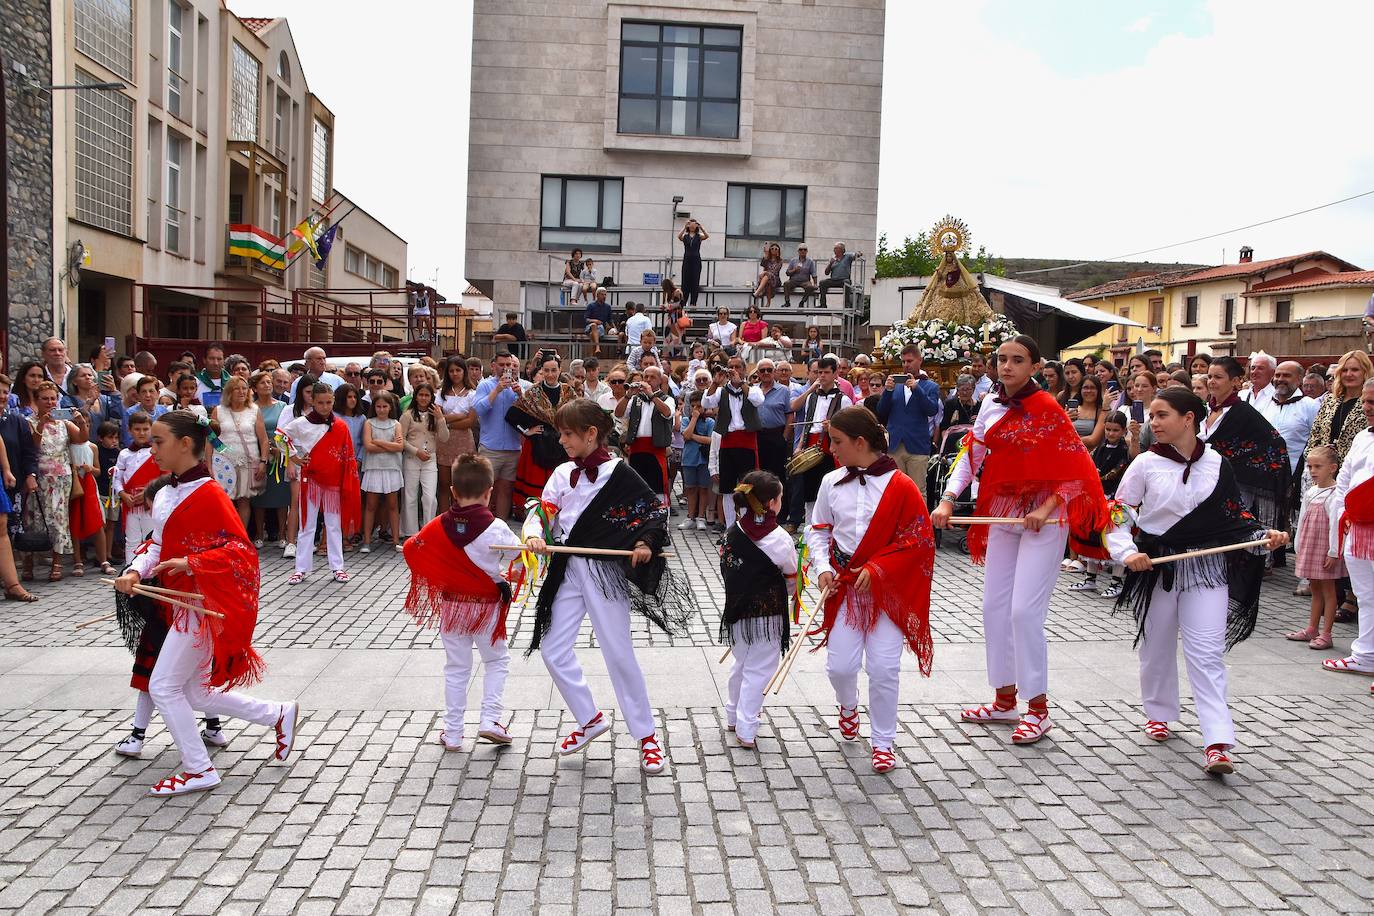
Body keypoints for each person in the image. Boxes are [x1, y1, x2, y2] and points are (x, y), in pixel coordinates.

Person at [932, 335, 1111, 745]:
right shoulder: (989, 405)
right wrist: (946, 500)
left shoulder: (1047, 408)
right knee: (994, 608)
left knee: (1024, 613)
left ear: (1034, 366)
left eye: (1017, 360)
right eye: (1002, 359)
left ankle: (1038, 709)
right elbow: (972, 457)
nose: (1007, 366)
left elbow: (1077, 469)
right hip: (1003, 511)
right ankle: (1004, 700)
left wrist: (1045, 509)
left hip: (1046, 520)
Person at [112, 410, 299, 796]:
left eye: (159, 441)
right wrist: (135, 570)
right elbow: (158, 544)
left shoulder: (210, 494)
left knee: (164, 687)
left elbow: (240, 550)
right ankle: (278, 714)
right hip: (180, 603)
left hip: (201, 604)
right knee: (196, 693)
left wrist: (193, 562)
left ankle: (199, 769)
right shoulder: (165, 492)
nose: (153, 449)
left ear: (185, 445)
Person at [1109, 388, 1286, 774]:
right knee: (1155, 647)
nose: (1153, 423)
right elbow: (1118, 514)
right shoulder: (1144, 464)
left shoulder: (1218, 464)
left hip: (1207, 569)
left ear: (1188, 419)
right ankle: (1158, 712)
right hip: (1156, 567)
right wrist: (1127, 553)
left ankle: (1218, 741)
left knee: (1205, 653)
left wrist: (1264, 537)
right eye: (1152, 415)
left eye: (1162, 415)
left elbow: (1236, 520)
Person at [521, 399, 693, 774]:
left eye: (568, 433)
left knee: (617, 652)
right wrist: (534, 533)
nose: (562, 440)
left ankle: (647, 736)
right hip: (567, 568)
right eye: (560, 433)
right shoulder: (562, 471)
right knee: (552, 649)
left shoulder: (620, 472)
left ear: (591, 434)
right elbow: (543, 510)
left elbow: (651, 511)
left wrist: (646, 543)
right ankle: (589, 719)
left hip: (604, 573)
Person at [805, 408, 935, 772]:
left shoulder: (902, 486)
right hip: (845, 587)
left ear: (860, 443)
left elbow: (919, 541)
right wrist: (824, 569)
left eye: (837, 442)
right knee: (840, 667)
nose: (831, 449)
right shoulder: (830, 482)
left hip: (886, 590)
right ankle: (848, 706)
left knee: (883, 668)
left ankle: (883, 741)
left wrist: (879, 568)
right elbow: (818, 531)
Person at [403, 453, 522, 749]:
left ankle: (453, 732)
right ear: (489, 492)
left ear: (453, 491)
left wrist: (442, 571)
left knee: (457, 668)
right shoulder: (496, 528)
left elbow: (410, 548)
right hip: (486, 609)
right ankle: (490, 719)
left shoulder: (438, 525)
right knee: (496, 661)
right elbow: (518, 559)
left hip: (452, 607)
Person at [720, 471, 796, 748]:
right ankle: (747, 725)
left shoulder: (732, 531)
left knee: (740, 662)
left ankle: (732, 714)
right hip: (768, 614)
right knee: (760, 670)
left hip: (737, 610)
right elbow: (790, 576)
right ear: (772, 503)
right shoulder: (780, 538)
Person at [1201, 356, 1291, 543]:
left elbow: (1275, 443)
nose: (1211, 381)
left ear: (1235, 381)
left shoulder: (1243, 411)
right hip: (1206, 479)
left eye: (1218, 377)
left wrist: (1235, 461)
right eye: (1209, 376)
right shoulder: (1204, 410)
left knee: (1238, 531)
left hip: (1236, 482)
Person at [280, 383, 362, 585]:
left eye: (328, 402)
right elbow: (280, 437)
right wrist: (294, 458)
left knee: (333, 526)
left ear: (333, 401)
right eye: (320, 403)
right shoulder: (301, 423)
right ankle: (301, 569)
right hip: (311, 480)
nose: (325, 407)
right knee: (307, 525)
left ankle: (338, 567)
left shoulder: (340, 425)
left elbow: (347, 455)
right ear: (312, 402)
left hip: (333, 481)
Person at [1322, 378, 1374, 680]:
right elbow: (1344, 482)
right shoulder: (1362, 437)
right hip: (1357, 528)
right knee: (1366, 595)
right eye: (1365, 402)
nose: (1367, 408)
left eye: (1373, 403)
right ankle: (1365, 655)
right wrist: (1339, 522)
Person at [23, 382, 87, 582]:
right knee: (34, 519)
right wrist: (41, 424)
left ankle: (57, 562)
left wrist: (81, 421)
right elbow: (32, 446)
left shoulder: (64, 422)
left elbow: (81, 439)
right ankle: (28, 562)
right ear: (37, 400)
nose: (50, 402)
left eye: (53, 398)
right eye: (45, 398)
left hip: (61, 477)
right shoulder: (29, 421)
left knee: (59, 519)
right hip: (39, 476)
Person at [1069, 412, 1131, 599]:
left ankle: (1116, 581)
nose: (1111, 433)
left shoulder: (1125, 451)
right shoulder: (1100, 448)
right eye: (1108, 429)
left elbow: (1117, 471)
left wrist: (1097, 477)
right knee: (1092, 538)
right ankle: (1090, 577)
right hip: (1097, 497)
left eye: (1115, 430)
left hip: (1116, 500)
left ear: (1123, 431)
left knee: (1116, 539)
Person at [1288, 446, 1344, 649]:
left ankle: (1327, 633)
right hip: (1311, 547)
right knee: (1315, 588)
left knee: (1329, 591)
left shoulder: (1336, 495)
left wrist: (1334, 551)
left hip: (1325, 550)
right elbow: (1302, 520)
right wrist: (1298, 544)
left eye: (1318, 466)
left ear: (1332, 468)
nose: (1312, 471)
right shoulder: (1312, 492)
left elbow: (1336, 526)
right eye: (1310, 466)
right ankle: (1312, 628)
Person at [789, 356, 853, 524]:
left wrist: (832, 427)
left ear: (835, 374)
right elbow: (807, 424)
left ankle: (829, 526)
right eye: (819, 372)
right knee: (809, 491)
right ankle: (810, 528)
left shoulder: (843, 399)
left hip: (831, 447)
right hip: (811, 443)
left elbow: (848, 429)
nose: (822, 376)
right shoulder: (812, 397)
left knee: (830, 488)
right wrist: (800, 446)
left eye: (826, 372)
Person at [702, 361, 764, 527]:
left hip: (747, 441)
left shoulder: (753, 388)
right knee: (727, 489)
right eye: (732, 367)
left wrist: (741, 383)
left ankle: (745, 525)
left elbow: (758, 401)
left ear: (744, 370)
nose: (734, 370)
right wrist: (715, 382)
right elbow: (706, 403)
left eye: (738, 367)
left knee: (747, 486)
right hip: (727, 442)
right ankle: (730, 528)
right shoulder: (721, 391)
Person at [876, 344, 941, 498]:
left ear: (920, 361)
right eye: (904, 361)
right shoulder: (895, 386)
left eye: (910, 361)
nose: (906, 365)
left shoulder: (930, 386)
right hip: (895, 445)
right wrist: (887, 392)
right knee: (894, 490)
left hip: (917, 446)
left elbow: (932, 410)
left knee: (918, 491)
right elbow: (881, 411)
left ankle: (919, 523)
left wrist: (917, 389)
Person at [509, 355, 574, 507]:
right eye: (546, 370)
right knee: (536, 496)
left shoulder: (568, 391)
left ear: (560, 370)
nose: (550, 374)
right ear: (541, 371)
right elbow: (512, 415)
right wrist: (526, 431)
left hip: (562, 445)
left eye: (554, 370)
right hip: (538, 445)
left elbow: (578, 414)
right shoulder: (533, 392)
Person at [211, 377, 267, 527]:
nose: (242, 391)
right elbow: (210, 439)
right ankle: (225, 536)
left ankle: (241, 538)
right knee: (224, 501)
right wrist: (209, 465)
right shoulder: (218, 411)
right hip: (224, 463)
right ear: (229, 391)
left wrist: (263, 461)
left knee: (244, 500)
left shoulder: (254, 410)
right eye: (237, 388)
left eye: (244, 388)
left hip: (248, 461)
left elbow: (263, 439)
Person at [614, 365, 675, 503]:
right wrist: (628, 395)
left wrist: (651, 395)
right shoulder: (635, 399)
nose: (648, 380)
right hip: (636, 450)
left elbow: (667, 413)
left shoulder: (667, 399)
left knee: (658, 487)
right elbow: (618, 414)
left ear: (660, 380)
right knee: (636, 487)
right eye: (646, 377)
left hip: (656, 450)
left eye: (652, 377)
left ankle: (660, 519)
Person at [474, 352, 523, 520]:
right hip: (490, 448)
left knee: (506, 490)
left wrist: (521, 395)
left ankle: (501, 527)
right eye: (502, 365)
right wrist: (497, 390)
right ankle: (481, 527)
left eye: (509, 365)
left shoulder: (518, 386)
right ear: (493, 366)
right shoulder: (485, 385)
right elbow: (479, 410)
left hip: (513, 447)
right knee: (485, 489)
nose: (506, 368)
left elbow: (529, 415)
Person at [398, 383, 449, 538]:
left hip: (430, 459)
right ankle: (410, 531)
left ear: (431, 397)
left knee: (429, 496)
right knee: (410, 495)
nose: (423, 398)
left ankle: (428, 529)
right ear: (415, 396)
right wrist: (416, 451)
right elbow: (401, 439)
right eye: (421, 395)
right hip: (412, 458)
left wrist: (441, 419)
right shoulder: (407, 415)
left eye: (427, 395)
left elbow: (444, 438)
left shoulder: (436, 414)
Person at [249, 371, 291, 549]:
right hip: (258, 455)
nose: (267, 385)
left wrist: (279, 448)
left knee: (281, 496)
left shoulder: (282, 406)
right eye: (263, 383)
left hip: (280, 455)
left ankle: (282, 534)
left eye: (268, 382)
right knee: (260, 496)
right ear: (255, 388)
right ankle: (259, 534)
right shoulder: (250, 407)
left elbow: (287, 430)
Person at [360, 391, 404, 554]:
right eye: (378, 406)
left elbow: (399, 447)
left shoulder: (396, 424)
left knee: (392, 505)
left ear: (390, 407)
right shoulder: (369, 423)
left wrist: (377, 441)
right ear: (374, 407)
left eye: (385, 406)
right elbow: (368, 446)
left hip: (391, 468)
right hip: (374, 468)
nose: (381, 409)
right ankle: (366, 540)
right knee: (371, 505)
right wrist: (388, 444)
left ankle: (395, 541)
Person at [436, 357, 479, 515]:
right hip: (444, 441)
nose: (455, 373)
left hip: (464, 442)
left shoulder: (473, 394)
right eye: (451, 370)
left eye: (458, 370)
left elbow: (470, 421)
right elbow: (436, 416)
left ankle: (461, 517)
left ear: (464, 372)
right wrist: (459, 416)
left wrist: (445, 422)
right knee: (444, 483)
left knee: (461, 483)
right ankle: (442, 518)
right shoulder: (441, 393)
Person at [678, 389, 715, 531]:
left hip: (704, 460)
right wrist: (693, 418)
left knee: (704, 488)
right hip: (689, 459)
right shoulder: (687, 420)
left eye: (698, 406)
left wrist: (693, 436)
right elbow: (685, 435)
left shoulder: (710, 422)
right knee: (691, 488)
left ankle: (701, 517)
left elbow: (710, 440)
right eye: (693, 406)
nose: (695, 409)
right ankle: (690, 517)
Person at [1069, 375, 1109, 450]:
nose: (1089, 391)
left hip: (1089, 455)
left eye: (1093, 388)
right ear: (1080, 390)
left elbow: (1093, 440)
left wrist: (1067, 441)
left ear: (1098, 391)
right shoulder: (1071, 410)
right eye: (1085, 388)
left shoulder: (1103, 412)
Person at [819, 242, 861, 309]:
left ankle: (847, 304)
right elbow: (826, 273)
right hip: (834, 280)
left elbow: (855, 255)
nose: (834, 250)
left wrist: (858, 254)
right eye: (834, 248)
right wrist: (830, 264)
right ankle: (823, 304)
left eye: (836, 248)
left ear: (841, 249)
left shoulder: (847, 256)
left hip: (843, 280)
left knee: (847, 282)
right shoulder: (833, 259)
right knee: (822, 283)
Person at [678, 219, 708, 308]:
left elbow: (706, 236)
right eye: (690, 225)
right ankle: (683, 301)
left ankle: (693, 302)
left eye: (693, 225)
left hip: (696, 260)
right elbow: (679, 236)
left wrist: (701, 227)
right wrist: (684, 227)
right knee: (685, 280)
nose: (692, 227)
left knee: (695, 280)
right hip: (687, 259)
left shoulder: (699, 236)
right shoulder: (686, 236)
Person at [940, 374, 980, 438]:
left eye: (968, 389)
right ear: (957, 390)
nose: (965, 393)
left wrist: (979, 421)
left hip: (972, 440)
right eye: (962, 389)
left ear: (973, 389)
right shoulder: (950, 404)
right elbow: (944, 427)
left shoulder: (979, 406)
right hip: (953, 440)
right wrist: (945, 442)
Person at [195, 343, 230, 409]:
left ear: (224, 361)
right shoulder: (195, 381)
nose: (215, 363)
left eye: (219, 359)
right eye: (211, 358)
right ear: (204, 360)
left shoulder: (232, 382)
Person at [584, 288, 616, 357]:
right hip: (590, 327)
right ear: (597, 295)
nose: (604, 296)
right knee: (593, 325)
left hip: (601, 329)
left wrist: (615, 329)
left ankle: (592, 355)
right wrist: (595, 320)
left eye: (605, 295)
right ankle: (597, 347)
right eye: (602, 294)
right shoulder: (591, 306)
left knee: (593, 334)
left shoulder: (608, 307)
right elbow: (586, 319)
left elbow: (610, 320)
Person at [754, 243, 783, 307]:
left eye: (776, 249)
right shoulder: (767, 259)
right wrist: (766, 254)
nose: (774, 250)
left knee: (768, 276)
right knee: (768, 282)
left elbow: (775, 271)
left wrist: (765, 272)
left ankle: (757, 292)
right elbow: (762, 265)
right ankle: (768, 303)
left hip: (776, 279)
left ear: (778, 251)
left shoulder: (780, 260)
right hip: (768, 280)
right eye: (772, 248)